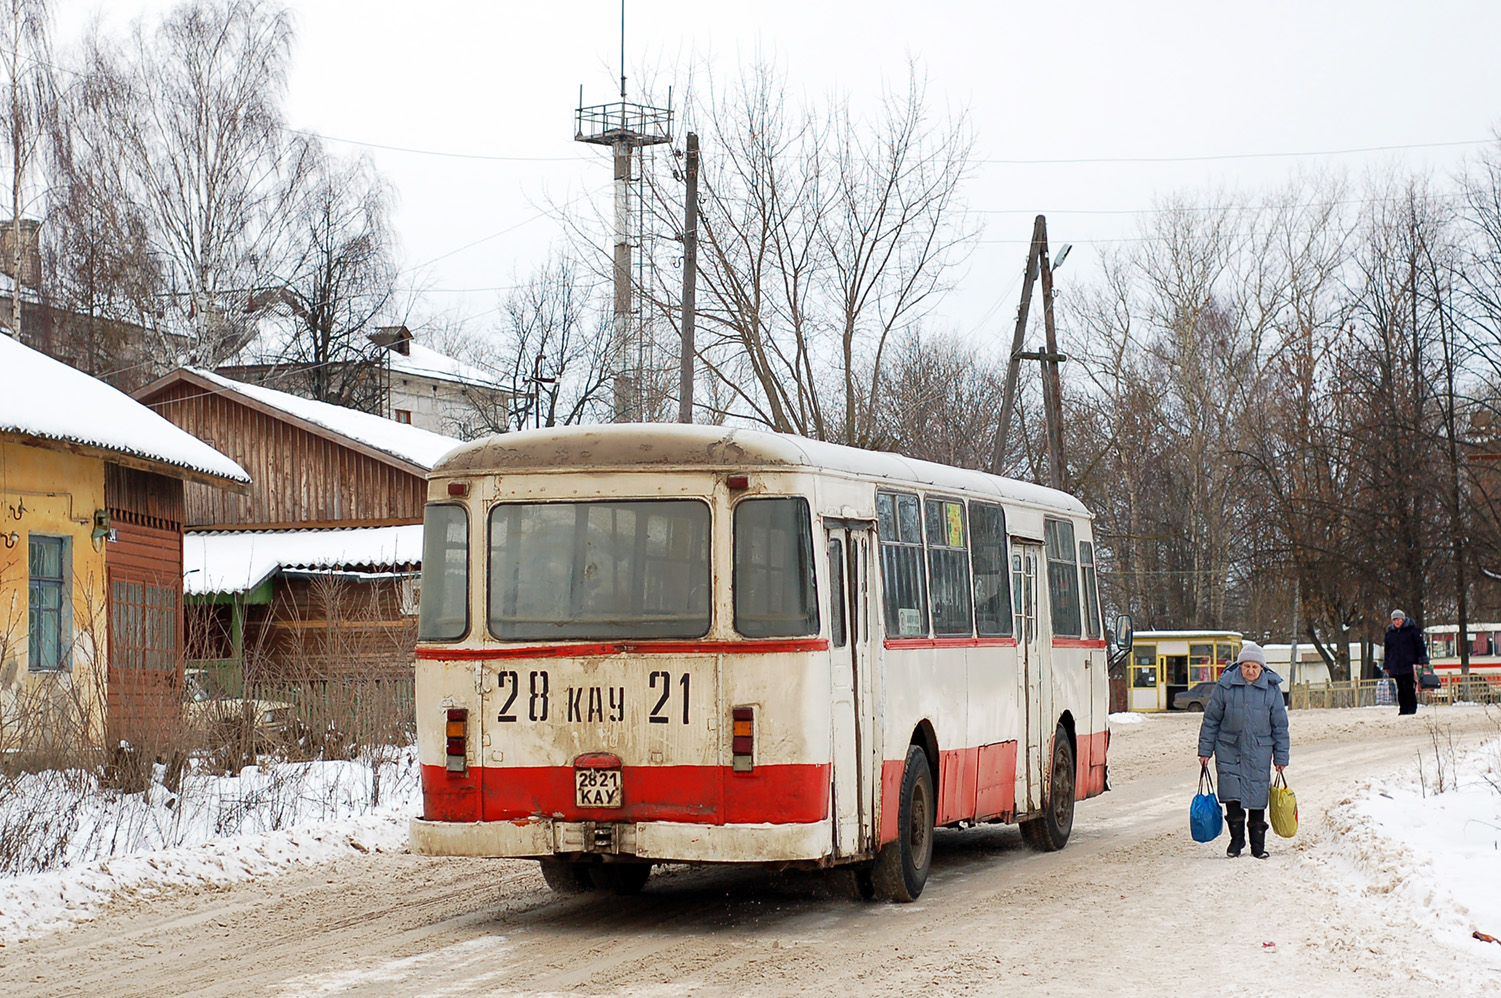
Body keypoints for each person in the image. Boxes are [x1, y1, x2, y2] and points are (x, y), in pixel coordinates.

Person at [1196, 642, 1290, 859]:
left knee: (1257, 797)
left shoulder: (1271, 689)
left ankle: (1258, 845)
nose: (1250, 671)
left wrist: (1281, 756)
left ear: (1262, 669)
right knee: (1233, 797)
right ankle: (1236, 841)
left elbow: (1280, 726)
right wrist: (1205, 750)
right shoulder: (1225, 686)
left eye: (1255, 667)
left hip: (1259, 750)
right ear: (1239, 666)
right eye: (1246, 666)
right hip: (1229, 748)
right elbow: (1211, 720)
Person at [1383, 609, 1428, 716]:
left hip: (1409, 664)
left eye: (1398, 620)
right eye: (1394, 620)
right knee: (1400, 688)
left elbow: (1420, 646)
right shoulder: (1390, 634)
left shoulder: (1413, 631)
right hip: (1396, 665)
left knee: (1408, 687)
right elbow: (1387, 651)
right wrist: (1386, 665)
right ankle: (1403, 708)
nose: (1396, 622)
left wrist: (1423, 660)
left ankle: (1411, 708)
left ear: (1403, 619)